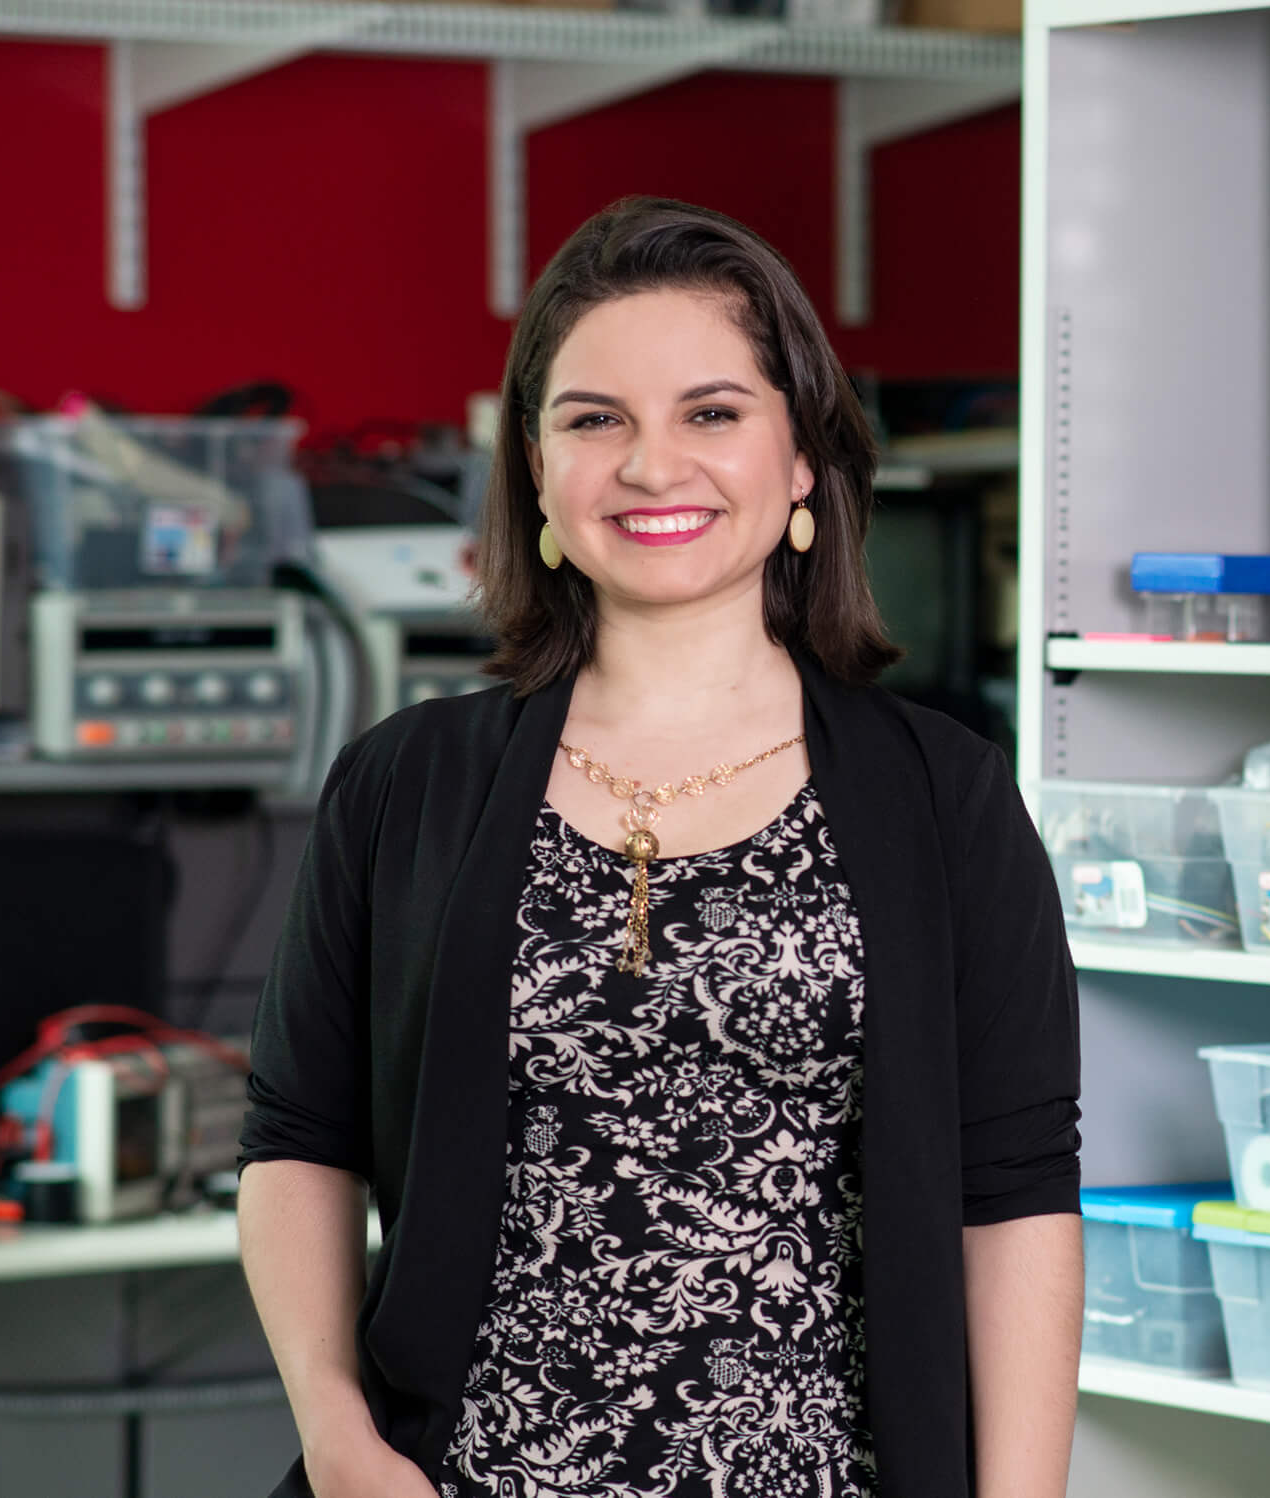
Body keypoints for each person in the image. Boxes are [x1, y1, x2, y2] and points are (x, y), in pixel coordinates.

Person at [236, 197, 1082, 1498]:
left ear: (801, 459)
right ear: (533, 470)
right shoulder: (405, 784)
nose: (650, 464)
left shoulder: (945, 796)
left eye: (711, 413)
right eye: (594, 419)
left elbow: (1016, 1194)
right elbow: (299, 1138)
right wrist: (342, 1439)